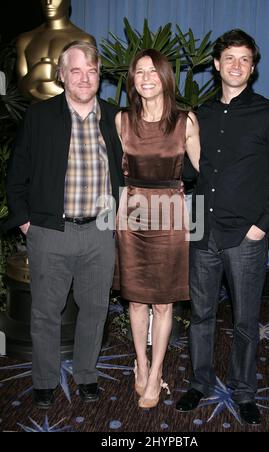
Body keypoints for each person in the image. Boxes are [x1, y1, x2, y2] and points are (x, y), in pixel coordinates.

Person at [176, 29, 269, 425]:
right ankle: (199, 382)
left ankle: (244, 391)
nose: (237, 65)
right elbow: (190, 173)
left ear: (253, 67)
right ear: (216, 64)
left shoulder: (268, 115)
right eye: (230, 57)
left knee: (245, 321)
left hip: (246, 237)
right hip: (203, 232)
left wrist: (261, 228)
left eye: (245, 59)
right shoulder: (201, 115)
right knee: (201, 316)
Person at [5, 41, 124, 408]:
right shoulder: (40, 117)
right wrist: (26, 223)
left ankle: (86, 375)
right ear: (61, 75)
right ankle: (43, 380)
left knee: (95, 309)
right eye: (76, 71)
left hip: (101, 232)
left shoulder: (115, 117)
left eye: (91, 71)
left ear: (99, 74)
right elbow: (18, 172)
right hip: (50, 232)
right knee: (45, 311)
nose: (85, 78)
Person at [113, 49, 201, 409]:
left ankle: (156, 372)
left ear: (165, 77)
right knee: (135, 299)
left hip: (170, 214)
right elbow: (113, 172)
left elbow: (208, 171)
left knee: (164, 303)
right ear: (132, 80)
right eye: (139, 72)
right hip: (132, 213)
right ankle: (141, 361)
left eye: (152, 71)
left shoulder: (186, 122)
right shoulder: (122, 120)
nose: (146, 77)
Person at [16, 0, 96, 102]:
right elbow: (22, 91)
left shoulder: (83, 40)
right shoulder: (25, 40)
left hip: (69, 115)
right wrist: (35, 74)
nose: (48, 2)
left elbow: (86, 90)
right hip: (35, 114)